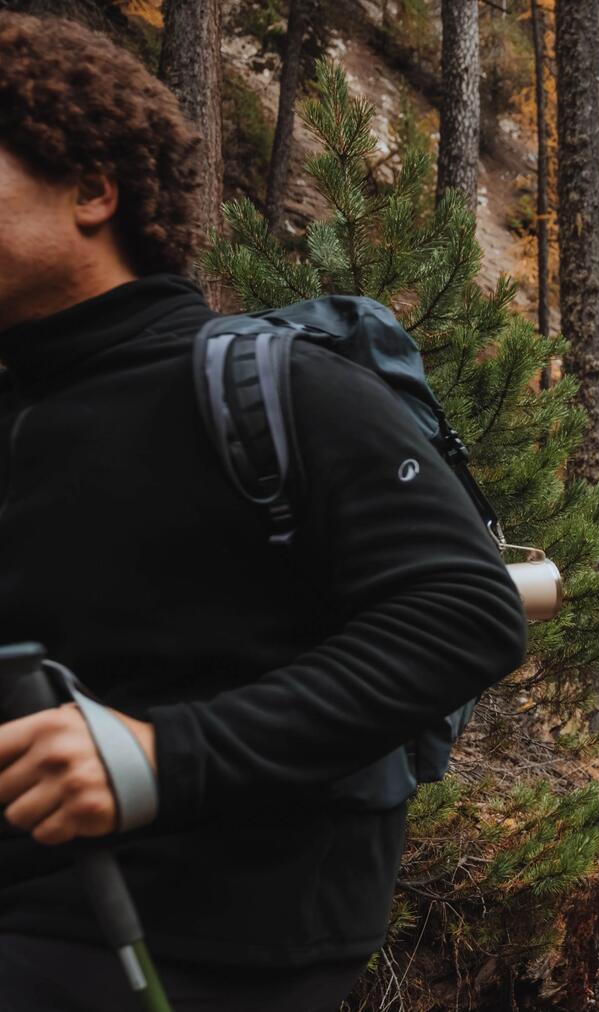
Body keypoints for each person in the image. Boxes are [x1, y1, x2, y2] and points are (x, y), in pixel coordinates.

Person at [0, 13, 527, 1010]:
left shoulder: (269, 387)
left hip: (222, 937)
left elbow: (466, 611)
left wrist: (165, 754)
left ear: (92, 190)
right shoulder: (19, 418)